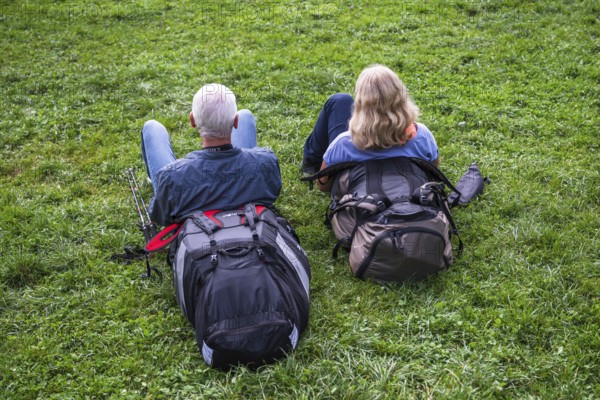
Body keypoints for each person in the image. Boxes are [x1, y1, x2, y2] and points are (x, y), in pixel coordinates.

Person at [141, 83, 282, 226]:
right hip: (250, 224)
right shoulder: (267, 162)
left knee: (151, 127)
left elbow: (159, 216)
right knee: (245, 114)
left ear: (192, 120)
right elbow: (272, 194)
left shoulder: (171, 177)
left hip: (200, 232)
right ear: (235, 121)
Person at [302, 64, 439, 192]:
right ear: (401, 97)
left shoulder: (344, 143)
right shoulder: (422, 135)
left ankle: (310, 162)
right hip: (406, 188)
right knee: (341, 100)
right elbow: (432, 171)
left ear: (361, 104)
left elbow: (324, 185)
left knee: (339, 101)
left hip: (363, 197)